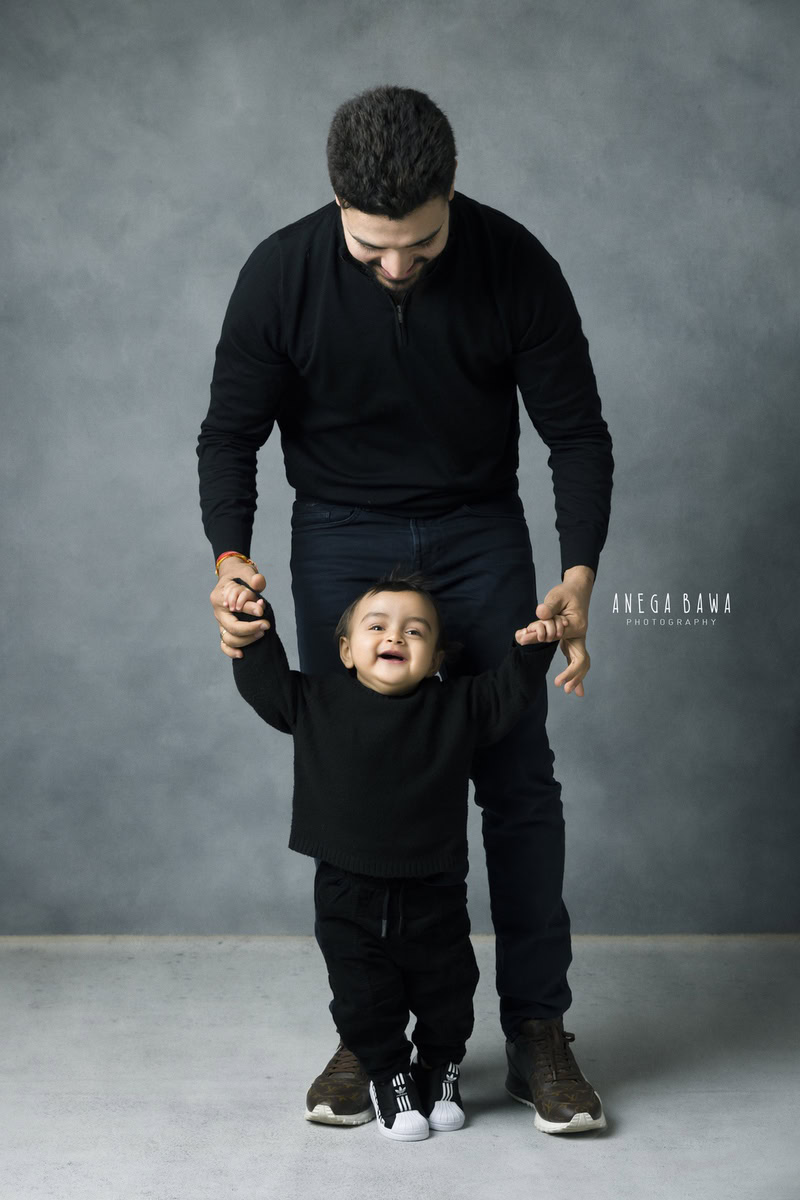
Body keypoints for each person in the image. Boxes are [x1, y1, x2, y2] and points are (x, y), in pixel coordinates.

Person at [198, 84, 614, 1136]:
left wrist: (576, 574)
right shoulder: (279, 274)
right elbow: (227, 438)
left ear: (452, 194)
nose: (394, 266)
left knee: (515, 780)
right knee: (360, 785)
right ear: (335, 204)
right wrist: (231, 559)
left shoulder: (515, 265)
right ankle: (369, 1037)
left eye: (419, 244)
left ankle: (535, 1035)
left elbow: (574, 436)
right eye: (369, 246)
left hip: (478, 530)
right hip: (338, 530)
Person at [227, 570, 561, 1140]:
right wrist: (255, 625)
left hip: (434, 888)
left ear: (435, 657)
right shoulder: (315, 700)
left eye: (416, 631)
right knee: (362, 994)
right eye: (377, 626)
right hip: (346, 890)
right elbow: (265, 686)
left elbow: (509, 693)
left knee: (450, 988)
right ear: (347, 650)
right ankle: (388, 1075)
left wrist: (534, 648)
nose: (395, 637)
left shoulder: (459, 703)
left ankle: (439, 1068)